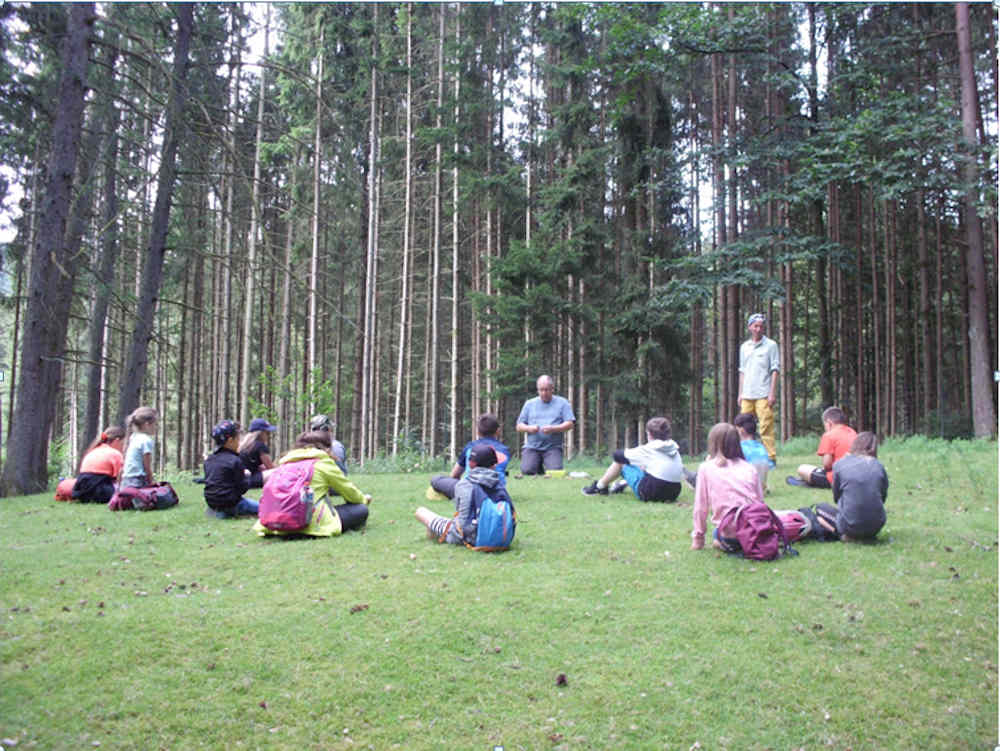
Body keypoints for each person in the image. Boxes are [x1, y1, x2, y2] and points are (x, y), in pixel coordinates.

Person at [254, 430, 371, 537]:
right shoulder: (323, 463)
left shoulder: (284, 464)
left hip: (272, 524)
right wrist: (364, 499)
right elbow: (350, 492)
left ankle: (283, 524)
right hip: (311, 525)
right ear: (327, 448)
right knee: (361, 509)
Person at [416, 444, 511, 546]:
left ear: (470, 464)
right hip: (501, 538)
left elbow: (462, 514)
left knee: (420, 511)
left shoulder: (463, 485)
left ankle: (435, 533)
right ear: (493, 466)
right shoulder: (499, 485)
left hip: (464, 537)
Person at [690, 422, 764, 552]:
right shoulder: (749, 468)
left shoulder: (706, 468)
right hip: (754, 530)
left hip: (730, 535)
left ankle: (721, 542)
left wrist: (698, 538)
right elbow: (760, 502)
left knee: (718, 535)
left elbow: (701, 507)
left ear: (713, 443)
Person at [581, 416, 684, 502]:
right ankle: (621, 484)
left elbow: (618, 456)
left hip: (652, 493)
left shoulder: (649, 449)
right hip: (674, 493)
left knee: (622, 463)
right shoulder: (674, 447)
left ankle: (599, 487)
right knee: (643, 467)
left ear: (650, 434)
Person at [814, 432, 889, 541]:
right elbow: (883, 497)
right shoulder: (878, 466)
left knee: (820, 508)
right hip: (876, 526)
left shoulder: (839, 464)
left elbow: (836, 497)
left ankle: (842, 534)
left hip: (850, 524)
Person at [430, 413, 510, 499]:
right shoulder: (504, 450)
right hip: (497, 491)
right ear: (498, 431)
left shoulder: (470, 447)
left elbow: (455, 475)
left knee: (436, 479)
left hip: (470, 490)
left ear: (477, 431)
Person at [738, 313, 780, 464]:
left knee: (765, 426)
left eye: (761, 326)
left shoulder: (771, 345)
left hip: (763, 393)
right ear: (750, 327)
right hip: (747, 393)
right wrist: (740, 393)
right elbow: (742, 371)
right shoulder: (744, 347)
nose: (758, 329)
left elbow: (774, 369)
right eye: (755, 326)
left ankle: (770, 458)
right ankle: (742, 456)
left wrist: (772, 393)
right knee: (743, 427)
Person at [516, 374, 575, 475]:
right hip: (532, 447)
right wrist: (529, 428)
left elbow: (570, 424)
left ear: (552, 389)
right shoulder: (529, 404)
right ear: (537, 390)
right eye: (541, 390)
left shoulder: (563, 403)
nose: (544, 393)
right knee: (527, 471)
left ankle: (544, 465)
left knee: (555, 472)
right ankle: (537, 466)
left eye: (546, 390)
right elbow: (519, 426)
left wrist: (553, 429)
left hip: (553, 447)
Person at [790, 406, 857, 488]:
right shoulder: (852, 432)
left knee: (802, 468)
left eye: (824, 425)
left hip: (837, 479)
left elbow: (827, 465)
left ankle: (808, 482)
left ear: (829, 423)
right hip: (854, 476)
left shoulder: (829, 435)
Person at [204, 420, 259, 519]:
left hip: (212, 503)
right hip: (231, 504)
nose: (239, 441)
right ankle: (230, 512)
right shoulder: (235, 461)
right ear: (230, 440)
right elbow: (242, 488)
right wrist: (246, 476)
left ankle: (216, 511)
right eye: (238, 438)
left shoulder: (209, 459)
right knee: (263, 507)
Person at [72, 426, 126, 502]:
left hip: (80, 491)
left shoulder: (93, 451)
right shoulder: (116, 454)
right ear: (117, 441)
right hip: (99, 490)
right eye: (123, 443)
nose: (123, 447)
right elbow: (119, 479)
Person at [733, 412, 775, 493]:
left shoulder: (739, 448)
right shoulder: (762, 448)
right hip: (760, 489)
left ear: (741, 430)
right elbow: (770, 466)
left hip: (745, 490)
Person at [121, 406, 158, 488]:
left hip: (126, 481)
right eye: (155, 424)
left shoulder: (133, 437)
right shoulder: (146, 440)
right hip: (137, 481)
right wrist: (151, 482)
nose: (156, 427)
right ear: (147, 425)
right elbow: (147, 467)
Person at [239, 417, 277, 487]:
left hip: (240, 479)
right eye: (267, 432)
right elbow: (271, 468)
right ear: (261, 433)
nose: (269, 435)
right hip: (249, 480)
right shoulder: (260, 446)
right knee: (276, 472)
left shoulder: (244, 445)